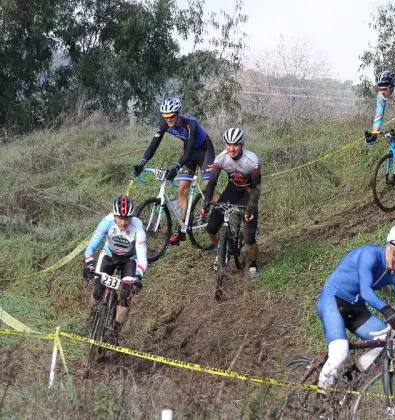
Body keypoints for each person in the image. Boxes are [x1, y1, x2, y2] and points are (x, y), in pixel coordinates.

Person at [315, 224, 395, 390]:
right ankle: (319, 403)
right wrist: (387, 310)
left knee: (390, 341)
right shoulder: (369, 255)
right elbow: (366, 290)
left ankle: (347, 381)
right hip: (333, 300)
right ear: (394, 249)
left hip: (356, 309)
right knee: (340, 350)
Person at [132, 97, 217, 245]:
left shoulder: (190, 123)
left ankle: (227, 213)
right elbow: (153, 146)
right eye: (165, 117)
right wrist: (142, 163)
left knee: (208, 184)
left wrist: (176, 167)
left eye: (171, 116)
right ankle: (182, 229)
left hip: (204, 150)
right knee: (182, 189)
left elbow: (190, 149)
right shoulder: (163, 124)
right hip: (188, 152)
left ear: (177, 113)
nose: (168, 120)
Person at [82, 195, 147, 343]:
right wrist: (89, 264)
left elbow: (143, 257)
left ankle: (115, 332)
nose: (123, 222)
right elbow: (91, 247)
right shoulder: (106, 222)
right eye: (120, 218)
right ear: (114, 215)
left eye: (127, 218)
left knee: (125, 297)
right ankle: (92, 316)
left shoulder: (138, 227)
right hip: (109, 255)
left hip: (129, 260)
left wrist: (138, 277)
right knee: (97, 290)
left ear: (132, 216)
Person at [201, 128, 262, 280]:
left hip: (248, 194)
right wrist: (206, 201)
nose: (232, 148)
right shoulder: (221, 158)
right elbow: (212, 182)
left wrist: (251, 207)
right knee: (211, 228)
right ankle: (221, 251)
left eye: (236, 144)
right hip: (231, 191)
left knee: (249, 238)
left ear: (242, 144)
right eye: (228, 144)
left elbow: (256, 189)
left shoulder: (252, 161)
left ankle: (253, 264)